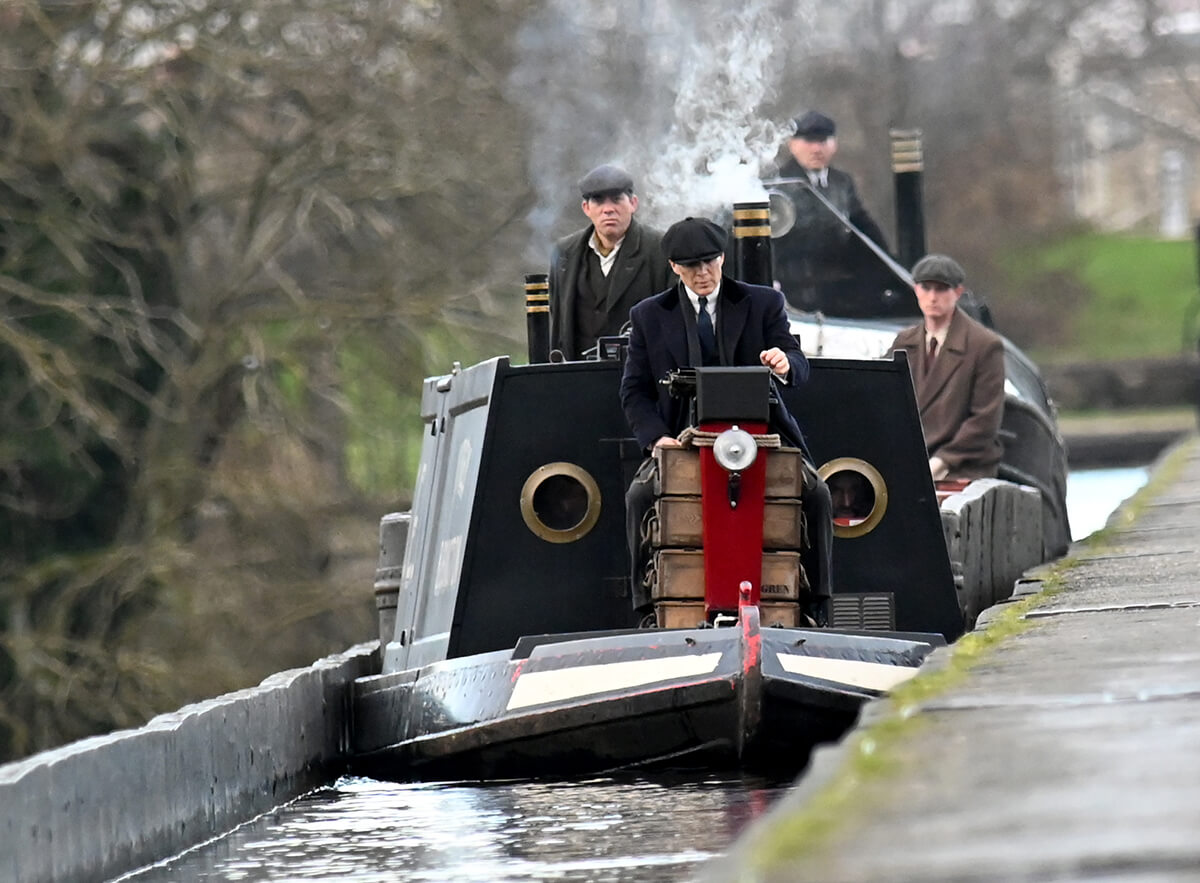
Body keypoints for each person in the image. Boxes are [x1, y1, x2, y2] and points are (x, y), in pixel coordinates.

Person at [620, 216, 833, 624]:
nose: (702, 274)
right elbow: (634, 391)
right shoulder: (648, 315)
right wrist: (656, 440)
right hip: (681, 439)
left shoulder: (763, 303)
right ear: (674, 268)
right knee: (638, 498)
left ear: (722, 258)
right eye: (691, 266)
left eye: (709, 263)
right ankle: (648, 608)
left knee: (818, 495)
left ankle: (814, 604)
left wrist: (785, 363)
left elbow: (799, 363)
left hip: (762, 434)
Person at [891, 254, 1005, 481]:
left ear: (958, 293)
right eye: (926, 288)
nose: (933, 297)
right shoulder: (904, 342)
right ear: (916, 290)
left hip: (964, 470)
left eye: (942, 289)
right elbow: (886, 401)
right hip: (911, 463)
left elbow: (984, 421)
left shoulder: (984, 346)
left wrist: (940, 462)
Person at [549, 164, 675, 360]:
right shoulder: (565, 252)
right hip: (578, 380)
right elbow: (558, 325)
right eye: (598, 201)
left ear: (633, 203)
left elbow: (673, 321)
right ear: (586, 208)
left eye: (616, 199)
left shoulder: (660, 248)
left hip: (642, 379)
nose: (608, 209)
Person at [770, 111, 891, 311]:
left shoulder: (842, 182)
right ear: (792, 144)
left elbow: (864, 229)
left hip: (838, 291)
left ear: (834, 144)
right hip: (793, 290)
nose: (817, 148)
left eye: (823, 140)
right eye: (808, 141)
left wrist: (887, 269)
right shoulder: (776, 184)